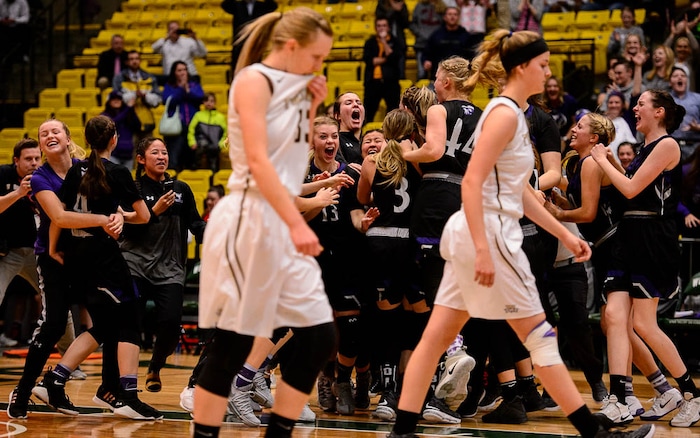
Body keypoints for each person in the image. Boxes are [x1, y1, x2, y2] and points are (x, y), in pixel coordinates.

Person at [386, 29, 654, 438]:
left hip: (481, 230)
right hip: (488, 233)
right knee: (540, 337)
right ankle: (592, 430)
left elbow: (522, 191)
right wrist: (480, 248)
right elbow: (472, 183)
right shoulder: (504, 114)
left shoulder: (510, 112)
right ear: (522, 67)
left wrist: (563, 234)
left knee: (436, 337)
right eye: (543, 65)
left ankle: (402, 430)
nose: (548, 73)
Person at [191, 8, 336, 438]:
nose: (319, 66)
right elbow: (256, 161)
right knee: (233, 343)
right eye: (316, 56)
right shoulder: (253, 80)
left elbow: (286, 160)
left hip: (280, 219)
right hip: (249, 220)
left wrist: (311, 108)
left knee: (320, 337)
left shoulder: (296, 89)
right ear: (291, 47)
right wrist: (296, 221)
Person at [591, 89, 700, 429]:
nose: (634, 108)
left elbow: (630, 189)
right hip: (632, 236)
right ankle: (623, 398)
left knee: (643, 323)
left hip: (654, 237)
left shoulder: (667, 145)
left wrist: (601, 160)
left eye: (641, 103)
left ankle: (691, 396)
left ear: (660, 112)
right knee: (615, 318)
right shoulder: (643, 148)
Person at [7, 120, 123, 419]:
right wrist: (102, 219)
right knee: (54, 323)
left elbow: (112, 203)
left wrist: (123, 217)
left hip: (86, 257)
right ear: (42, 146)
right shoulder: (39, 178)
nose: (48, 136)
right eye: (43, 134)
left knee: (109, 322)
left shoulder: (86, 167)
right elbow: (59, 217)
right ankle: (23, 389)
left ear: (68, 138)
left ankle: (102, 390)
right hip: (53, 258)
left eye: (55, 131)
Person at [403, 55, 483, 425]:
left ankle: (452, 350)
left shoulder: (439, 110)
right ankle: (453, 354)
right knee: (455, 278)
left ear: (448, 81)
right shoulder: (483, 115)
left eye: (436, 77)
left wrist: (407, 152)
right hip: (467, 199)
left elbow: (434, 151)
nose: (433, 84)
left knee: (431, 280)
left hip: (435, 195)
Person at [120, 137, 205, 394]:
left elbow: (196, 224)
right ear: (141, 159)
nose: (161, 157)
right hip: (135, 265)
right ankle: (126, 383)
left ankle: (155, 367)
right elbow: (125, 230)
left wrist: (219, 234)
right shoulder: (131, 188)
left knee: (170, 322)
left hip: (170, 269)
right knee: (130, 323)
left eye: (165, 152)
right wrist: (153, 211)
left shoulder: (180, 189)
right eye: (154, 152)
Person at [0, 138, 41, 348]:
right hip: (7, 253)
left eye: (37, 158)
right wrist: (18, 193)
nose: (33, 163)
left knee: (56, 305)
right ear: (16, 160)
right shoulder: (3, 174)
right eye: (28, 159)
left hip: (37, 252)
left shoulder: (45, 178)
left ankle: (71, 363)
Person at [162, 60, 205, 171]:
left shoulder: (194, 85)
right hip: (176, 128)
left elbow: (200, 97)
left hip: (192, 127)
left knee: (191, 160)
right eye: (179, 70)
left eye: (185, 69)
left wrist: (188, 90)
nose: (183, 72)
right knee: (175, 159)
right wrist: (181, 89)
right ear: (174, 73)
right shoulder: (169, 86)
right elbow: (168, 101)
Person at [362, 17, 405, 125]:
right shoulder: (370, 42)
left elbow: (395, 57)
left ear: (389, 27)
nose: (381, 28)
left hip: (390, 82)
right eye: (379, 26)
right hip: (372, 82)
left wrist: (384, 42)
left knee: (393, 112)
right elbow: (369, 60)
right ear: (375, 28)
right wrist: (386, 59)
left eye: (384, 25)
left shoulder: (396, 42)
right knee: (368, 112)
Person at [113, 50, 162, 139]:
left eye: (136, 58)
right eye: (131, 59)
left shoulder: (149, 77)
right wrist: (135, 95)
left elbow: (158, 99)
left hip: (147, 122)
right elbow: (116, 99)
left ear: (140, 61)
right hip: (127, 121)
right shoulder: (119, 78)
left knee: (148, 151)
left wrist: (145, 97)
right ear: (127, 62)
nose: (134, 61)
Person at [422, 7, 479, 81]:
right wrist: (426, 61)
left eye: (455, 14)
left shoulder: (466, 36)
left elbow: (472, 56)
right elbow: (427, 53)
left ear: (459, 17)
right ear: (445, 17)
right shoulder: (436, 35)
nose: (452, 17)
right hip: (438, 77)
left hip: (460, 78)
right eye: (450, 14)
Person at [221, 0, 278, 73]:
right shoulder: (237, 5)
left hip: (256, 44)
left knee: (256, 69)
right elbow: (225, 5)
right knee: (238, 69)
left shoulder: (261, 6)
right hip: (239, 44)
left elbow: (273, 6)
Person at [101, 90, 141, 170]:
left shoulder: (128, 113)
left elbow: (138, 126)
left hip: (128, 153)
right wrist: (128, 108)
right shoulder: (105, 115)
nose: (116, 101)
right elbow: (112, 123)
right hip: (113, 154)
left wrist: (131, 110)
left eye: (119, 99)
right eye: (113, 99)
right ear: (109, 101)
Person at [188, 92, 227, 172]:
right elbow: (191, 130)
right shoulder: (198, 115)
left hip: (215, 145)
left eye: (212, 101)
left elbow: (225, 133)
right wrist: (192, 142)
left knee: (213, 160)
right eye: (207, 100)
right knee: (202, 145)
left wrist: (220, 144)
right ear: (203, 102)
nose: (209, 103)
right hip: (201, 143)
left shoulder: (220, 117)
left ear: (215, 102)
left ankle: (213, 175)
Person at [669, 64, 700, 160]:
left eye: (683, 76)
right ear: (670, 82)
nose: (679, 78)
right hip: (672, 147)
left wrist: (698, 128)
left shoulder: (698, 98)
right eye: (675, 76)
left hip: (695, 147)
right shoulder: (665, 100)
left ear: (687, 81)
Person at [409, 0, 445, 80]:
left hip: (437, 47)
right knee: (421, 73)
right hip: (421, 44)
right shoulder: (419, 6)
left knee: (438, 75)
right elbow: (412, 24)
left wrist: (437, 37)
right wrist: (420, 33)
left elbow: (445, 25)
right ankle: (422, 92)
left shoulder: (442, 7)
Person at [333, 91, 366, 168]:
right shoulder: (335, 140)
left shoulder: (369, 141)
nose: (355, 105)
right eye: (348, 103)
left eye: (359, 103)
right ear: (337, 116)